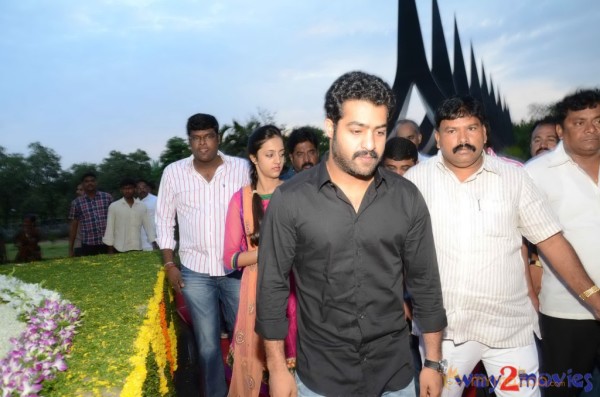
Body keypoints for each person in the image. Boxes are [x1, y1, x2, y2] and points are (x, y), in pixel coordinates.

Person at [256, 71, 447, 397]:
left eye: (380, 131)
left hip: (395, 373)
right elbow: (272, 288)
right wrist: (276, 367)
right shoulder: (290, 201)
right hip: (321, 374)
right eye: (357, 131)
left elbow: (426, 283)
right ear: (330, 127)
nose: (370, 145)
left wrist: (432, 362)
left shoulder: (407, 198)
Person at [404, 95, 600, 397]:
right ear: (438, 137)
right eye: (451, 130)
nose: (462, 139)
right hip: (445, 336)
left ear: (484, 132)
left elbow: (550, 240)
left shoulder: (514, 177)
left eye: (471, 128)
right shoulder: (415, 183)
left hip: (509, 331)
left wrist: (594, 298)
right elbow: (396, 250)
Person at [155, 113, 250, 397]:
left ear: (217, 137)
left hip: (237, 270)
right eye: (196, 139)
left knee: (244, 340)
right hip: (195, 273)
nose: (202, 144)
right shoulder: (173, 172)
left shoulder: (241, 168)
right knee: (208, 347)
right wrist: (170, 263)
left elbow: (257, 209)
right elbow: (163, 220)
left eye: (208, 137)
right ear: (189, 141)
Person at [525, 89, 600, 397]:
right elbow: (521, 243)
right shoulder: (535, 174)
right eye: (580, 122)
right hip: (565, 312)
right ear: (560, 129)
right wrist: (530, 292)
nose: (591, 129)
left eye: (597, 120)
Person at [223, 125, 297, 397]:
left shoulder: (296, 193)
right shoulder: (240, 200)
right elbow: (230, 258)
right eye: (269, 155)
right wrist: (271, 250)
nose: (278, 161)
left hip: (297, 287)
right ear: (254, 158)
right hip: (257, 289)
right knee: (259, 367)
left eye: (280, 154)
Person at [102, 178, 157, 254]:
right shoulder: (114, 206)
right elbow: (110, 228)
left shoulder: (142, 206)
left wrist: (154, 243)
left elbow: (148, 226)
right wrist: (110, 249)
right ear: (121, 190)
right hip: (119, 248)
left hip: (137, 247)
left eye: (130, 188)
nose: (127, 191)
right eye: (124, 189)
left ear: (134, 189)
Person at [68, 172, 112, 257]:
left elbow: (114, 221)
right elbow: (73, 226)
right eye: (86, 181)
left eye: (92, 181)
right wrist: (70, 249)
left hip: (107, 243)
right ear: (82, 184)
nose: (90, 183)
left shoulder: (107, 197)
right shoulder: (76, 203)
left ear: (96, 182)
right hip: (88, 244)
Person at [136, 179, 158, 251]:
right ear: (136, 190)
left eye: (144, 187)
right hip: (140, 240)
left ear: (148, 188)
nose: (142, 190)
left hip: (155, 238)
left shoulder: (156, 200)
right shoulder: (134, 203)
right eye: (139, 188)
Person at [73, 183, 85, 257]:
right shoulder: (76, 204)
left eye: (81, 190)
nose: (78, 192)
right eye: (77, 190)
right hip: (79, 243)